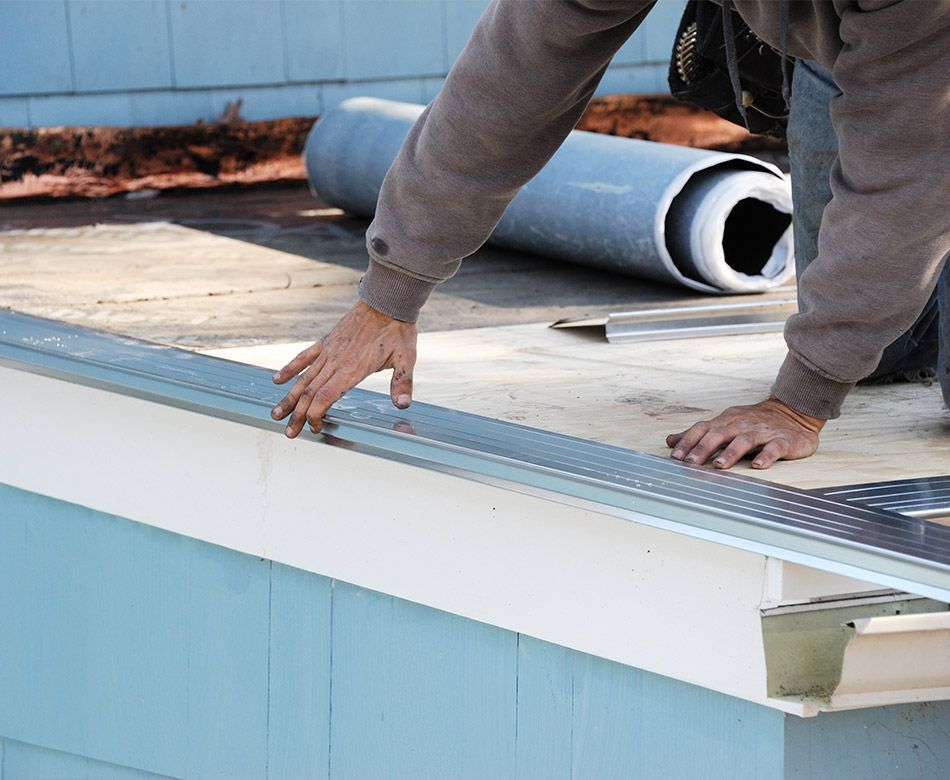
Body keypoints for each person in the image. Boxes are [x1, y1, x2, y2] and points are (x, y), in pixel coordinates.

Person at [271, 0, 949, 470]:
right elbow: (511, 82)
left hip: (923, 46)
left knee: (871, 316)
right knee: (877, 346)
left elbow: (910, 170)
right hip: (863, 45)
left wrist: (801, 402)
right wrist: (391, 293)